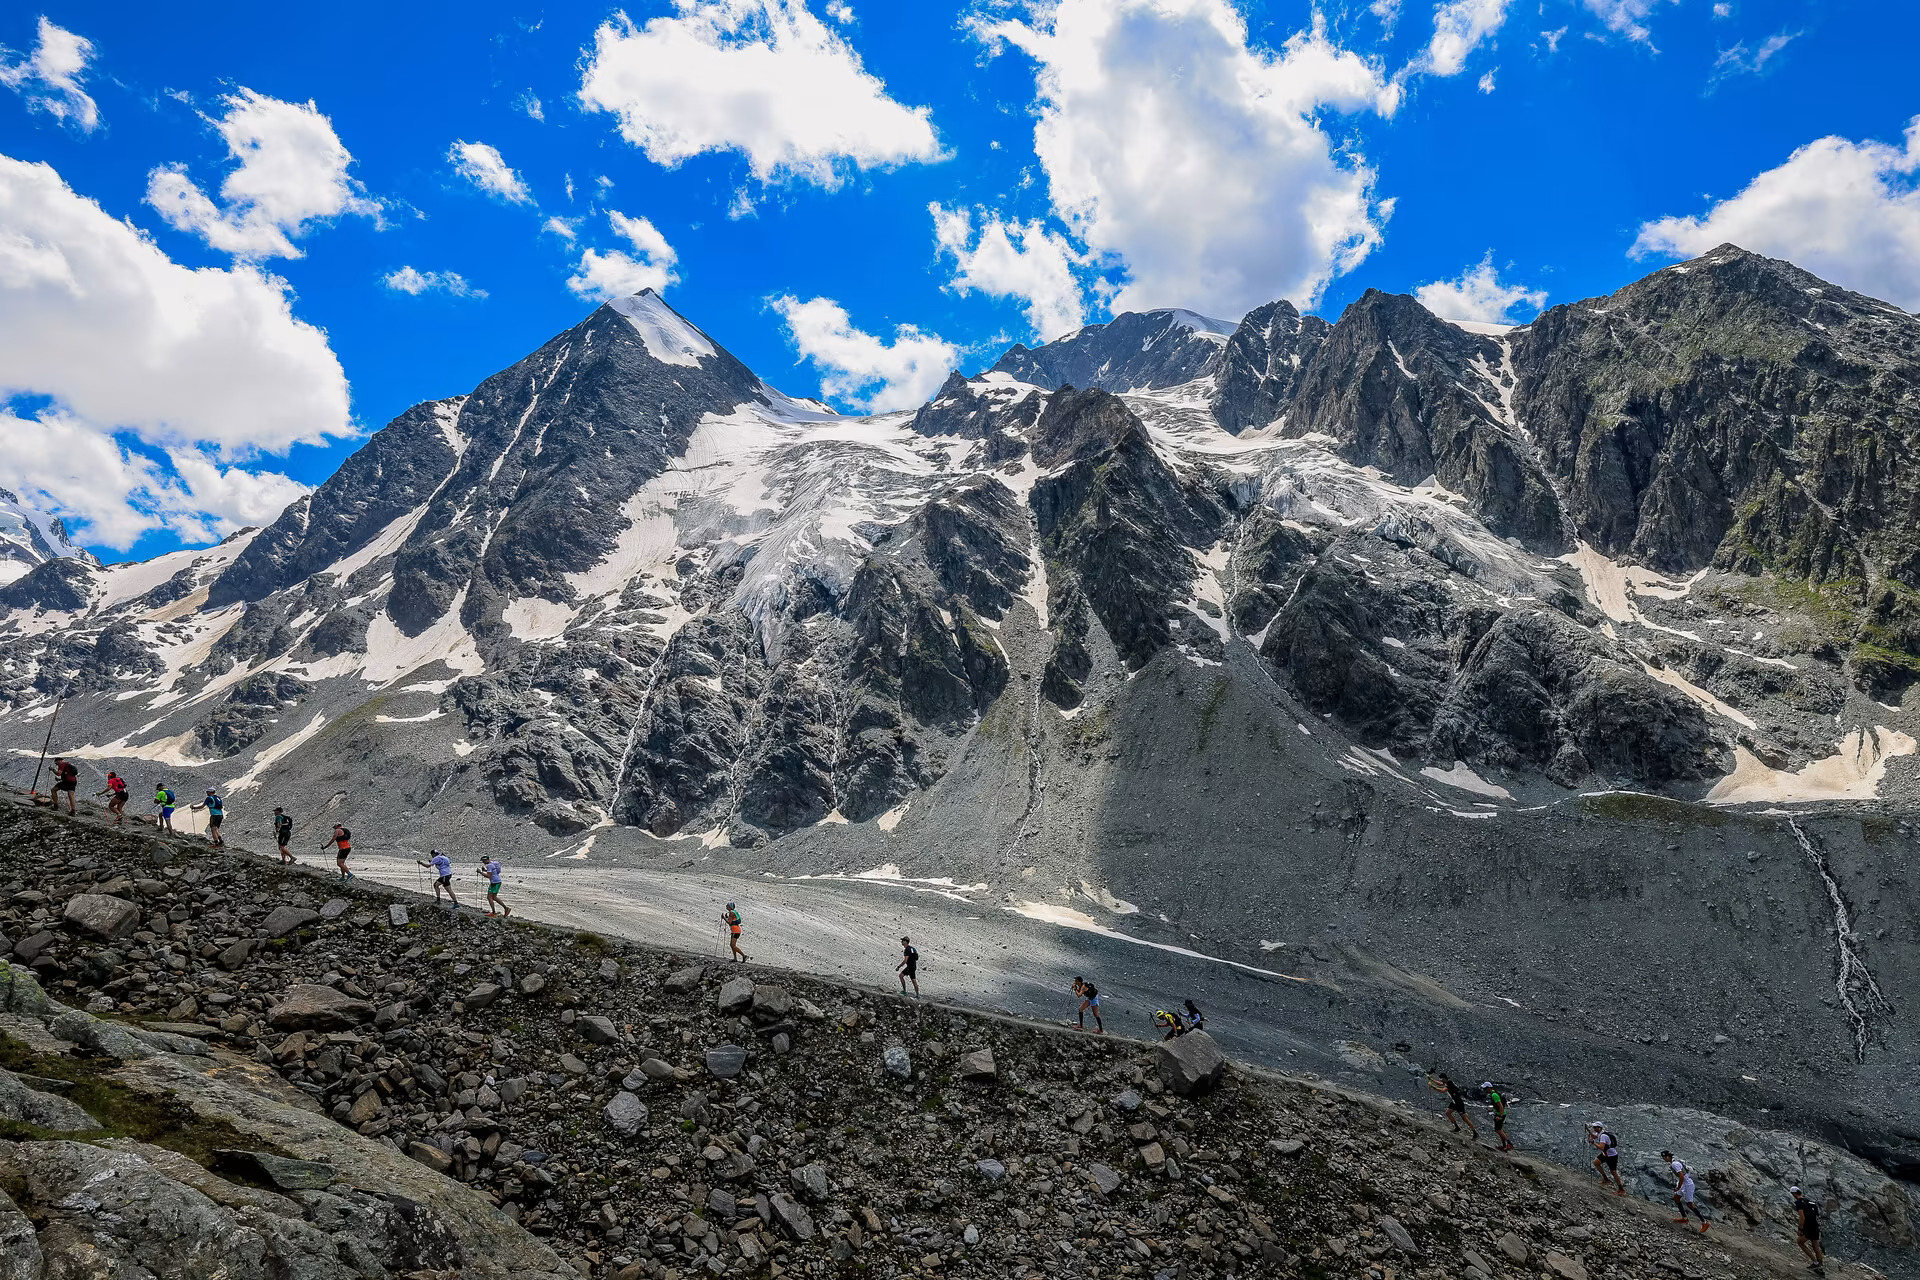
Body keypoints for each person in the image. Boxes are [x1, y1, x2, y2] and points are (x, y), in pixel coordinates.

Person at [1662, 1150, 1709, 1232]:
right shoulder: (1676, 1162)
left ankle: (1704, 1222)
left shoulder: (1674, 1164)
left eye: (1664, 1157)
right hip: (1685, 1183)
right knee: (1676, 1198)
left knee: (1690, 1204)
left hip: (1687, 1184)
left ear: (1667, 1157)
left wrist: (1678, 1187)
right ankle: (1684, 1218)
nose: (1664, 1159)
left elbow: (1681, 1177)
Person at [1429, 1073, 1478, 1138]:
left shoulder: (1449, 1083)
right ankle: (1457, 1127)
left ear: (1444, 1078)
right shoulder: (1448, 1082)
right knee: (1448, 1113)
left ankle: (1475, 1132)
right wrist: (1432, 1080)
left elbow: (1443, 1090)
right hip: (1454, 1102)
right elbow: (1441, 1084)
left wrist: (1433, 1087)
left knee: (1464, 1118)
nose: (1440, 1080)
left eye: (1441, 1078)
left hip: (1458, 1102)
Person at [1792, 1186, 1823, 1271]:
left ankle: (1815, 1263)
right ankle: (1820, 1265)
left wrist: (1800, 1229)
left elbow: (1802, 1217)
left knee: (1800, 1241)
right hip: (1816, 1226)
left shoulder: (1799, 1202)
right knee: (1815, 1246)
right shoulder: (1810, 1201)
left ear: (1794, 1193)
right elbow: (1817, 1214)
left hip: (1808, 1227)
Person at [1588, 1122, 1625, 1194]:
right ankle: (1606, 1179)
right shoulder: (1601, 1133)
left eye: (1595, 1127)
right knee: (1596, 1162)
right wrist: (1589, 1132)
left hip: (1611, 1156)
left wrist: (1593, 1143)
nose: (1594, 1128)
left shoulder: (1603, 1136)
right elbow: (1594, 1136)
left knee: (1613, 1172)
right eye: (1594, 1127)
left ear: (1599, 1128)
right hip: (1606, 1154)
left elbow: (1601, 1147)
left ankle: (1621, 1189)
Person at [1484, 1082, 1515, 1152]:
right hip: (1498, 1113)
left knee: (1498, 1130)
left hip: (1500, 1114)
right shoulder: (1495, 1093)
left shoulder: (1494, 1095)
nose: (1484, 1090)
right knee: (1498, 1129)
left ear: (1489, 1088)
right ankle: (1504, 1146)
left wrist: (1500, 1116)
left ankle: (1509, 1144)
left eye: (1485, 1088)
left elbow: (1500, 1105)